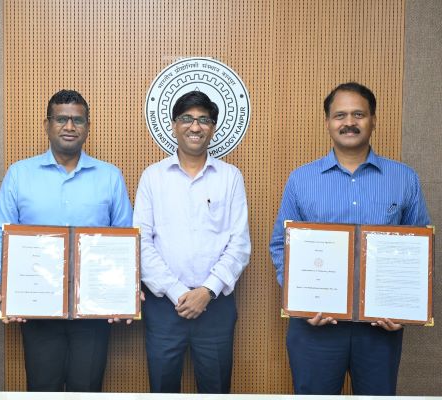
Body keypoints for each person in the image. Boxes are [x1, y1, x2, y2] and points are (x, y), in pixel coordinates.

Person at [269, 82, 430, 395]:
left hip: (380, 326)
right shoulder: (302, 179)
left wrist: (403, 309)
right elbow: (280, 245)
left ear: (373, 120)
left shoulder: (404, 178)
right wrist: (301, 301)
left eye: (359, 114)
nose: (349, 122)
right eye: (340, 115)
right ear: (328, 122)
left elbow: (417, 248)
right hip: (315, 325)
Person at [0, 89, 133, 392]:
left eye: (77, 120)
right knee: (42, 389)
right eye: (61, 119)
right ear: (47, 125)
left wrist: (124, 291)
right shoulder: (19, 174)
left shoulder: (110, 176)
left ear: (87, 127)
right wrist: (8, 283)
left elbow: (124, 239)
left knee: (87, 389)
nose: (70, 126)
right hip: (37, 305)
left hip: (93, 308)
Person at [133, 91, 251, 393]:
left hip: (215, 306)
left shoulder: (230, 177)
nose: (195, 126)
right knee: (162, 390)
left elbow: (239, 244)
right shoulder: (153, 177)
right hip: (164, 306)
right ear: (174, 125)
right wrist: (177, 292)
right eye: (187, 118)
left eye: (203, 120)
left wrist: (206, 291)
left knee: (216, 390)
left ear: (213, 128)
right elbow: (141, 243)